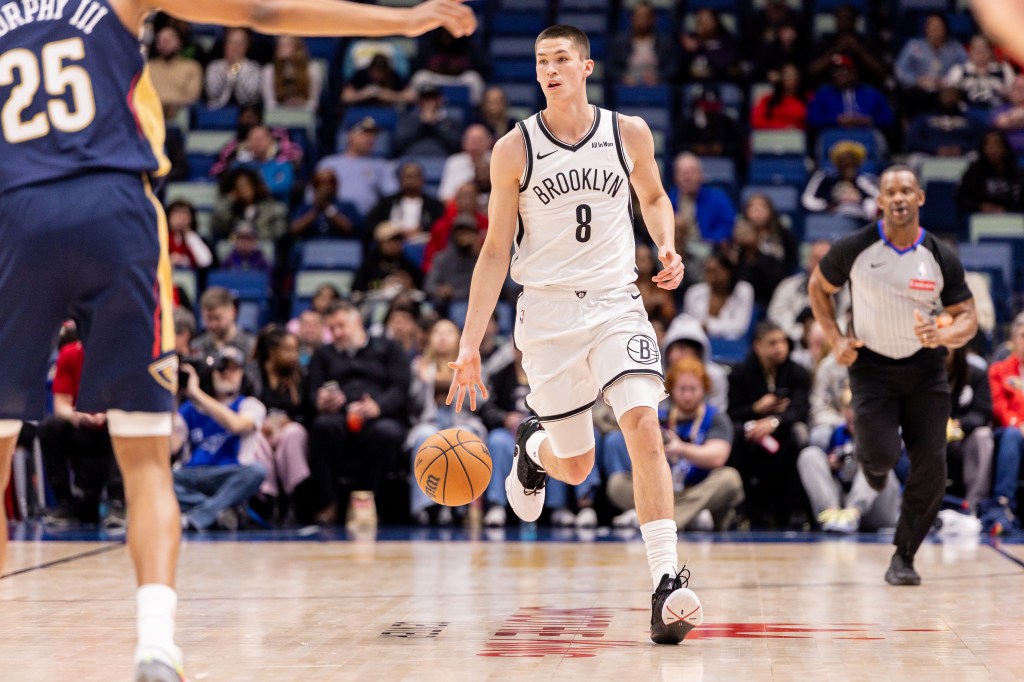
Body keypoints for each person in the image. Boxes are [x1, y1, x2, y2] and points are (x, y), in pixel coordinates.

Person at [0, 0, 475, 673]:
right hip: (114, 209)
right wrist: (400, 22)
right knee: (144, 460)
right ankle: (156, 645)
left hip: (14, 216)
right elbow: (267, 10)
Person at [445, 25, 701, 646]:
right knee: (578, 464)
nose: (551, 69)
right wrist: (469, 344)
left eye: (562, 59)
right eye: (541, 61)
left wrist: (665, 244)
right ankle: (533, 450)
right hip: (549, 316)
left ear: (586, 67)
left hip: (617, 303)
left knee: (643, 423)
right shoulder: (514, 148)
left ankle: (666, 582)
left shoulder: (627, 132)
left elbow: (656, 196)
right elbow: (493, 251)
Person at [808, 165, 978, 586]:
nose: (899, 198)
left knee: (932, 468)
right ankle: (874, 468)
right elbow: (818, 287)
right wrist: (835, 339)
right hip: (872, 369)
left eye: (907, 190)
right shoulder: (855, 247)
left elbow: (968, 319)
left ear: (920, 198)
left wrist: (943, 334)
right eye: (891, 192)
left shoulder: (939, 255)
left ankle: (904, 555)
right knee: (881, 456)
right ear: (880, 201)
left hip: (925, 369)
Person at [604, 357, 743, 532]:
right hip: (662, 490)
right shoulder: (658, 417)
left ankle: (661, 520)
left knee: (730, 478)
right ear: (671, 390)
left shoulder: (716, 417)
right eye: (682, 389)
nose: (687, 396)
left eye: (693, 389)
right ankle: (691, 516)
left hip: (698, 489)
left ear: (704, 389)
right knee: (617, 483)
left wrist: (681, 449)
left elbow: (717, 457)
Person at [305, 301, 412, 528]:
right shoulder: (323, 355)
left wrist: (378, 407)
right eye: (331, 328)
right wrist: (320, 400)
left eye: (341, 326)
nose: (337, 333)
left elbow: (401, 388)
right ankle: (330, 503)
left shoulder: (389, 348)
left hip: (379, 415)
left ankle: (368, 500)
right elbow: (311, 392)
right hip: (338, 415)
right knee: (323, 427)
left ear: (357, 322)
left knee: (387, 433)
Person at [727, 320, 811, 528]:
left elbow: (801, 410)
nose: (780, 347)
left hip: (782, 430)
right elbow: (732, 412)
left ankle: (795, 510)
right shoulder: (740, 373)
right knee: (735, 435)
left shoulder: (797, 372)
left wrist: (775, 421)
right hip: (750, 431)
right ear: (758, 346)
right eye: (772, 343)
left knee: (797, 434)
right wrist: (756, 409)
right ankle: (741, 508)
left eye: (782, 341)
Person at [172, 348, 267, 531]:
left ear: (243, 374)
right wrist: (171, 396)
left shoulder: (250, 405)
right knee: (163, 478)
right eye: (222, 368)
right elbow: (171, 447)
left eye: (234, 369)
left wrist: (197, 392)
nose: (227, 374)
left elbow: (236, 425)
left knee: (257, 471)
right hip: (194, 473)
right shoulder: (189, 409)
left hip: (231, 473)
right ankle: (222, 512)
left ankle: (197, 517)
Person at [945, 347, 993, 512]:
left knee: (983, 435)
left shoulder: (976, 373)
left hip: (964, 438)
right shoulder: (924, 374)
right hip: (932, 437)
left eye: (947, 346)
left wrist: (959, 424)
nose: (943, 351)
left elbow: (982, 413)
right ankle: (914, 506)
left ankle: (974, 505)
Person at [988, 313, 1024, 512]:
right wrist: (1018, 424)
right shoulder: (999, 370)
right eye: (1023, 336)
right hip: (1008, 432)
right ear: (1013, 340)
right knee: (1012, 436)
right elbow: (999, 406)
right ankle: (1003, 503)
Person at [681, 253, 755, 341]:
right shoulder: (694, 292)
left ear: (728, 272)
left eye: (715, 271)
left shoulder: (743, 290)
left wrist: (707, 326)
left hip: (732, 344)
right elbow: (688, 324)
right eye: (708, 271)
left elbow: (739, 327)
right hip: (699, 341)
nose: (711, 277)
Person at [668, 152, 736, 245]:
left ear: (701, 175)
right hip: (676, 247)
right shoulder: (666, 201)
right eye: (683, 173)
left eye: (692, 172)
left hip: (709, 248)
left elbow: (728, 226)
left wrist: (711, 240)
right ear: (675, 177)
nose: (687, 177)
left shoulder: (718, 199)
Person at [801, 140, 879, 222]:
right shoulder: (825, 177)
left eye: (852, 162)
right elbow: (807, 200)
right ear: (837, 164)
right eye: (844, 162)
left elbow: (880, 199)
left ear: (858, 163)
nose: (848, 165)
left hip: (860, 220)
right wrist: (826, 206)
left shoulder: (866, 180)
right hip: (831, 220)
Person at [956, 130, 1024, 215]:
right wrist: (979, 206)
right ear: (983, 148)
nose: (993, 150)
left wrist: (1006, 209)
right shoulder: (974, 171)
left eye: (996, 145)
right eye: (988, 145)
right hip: (979, 219)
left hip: (1011, 218)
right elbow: (961, 197)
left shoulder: (1016, 172)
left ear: (1004, 148)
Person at [944, 35, 1014, 112]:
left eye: (984, 48)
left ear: (991, 51)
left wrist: (1005, 93)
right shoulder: (959, 70)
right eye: (976, 48)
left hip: (997, 112)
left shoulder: (1003, 69)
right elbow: (948, 94)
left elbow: (1014, 94)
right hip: (966, 112)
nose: (980, 52)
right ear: (970, 51)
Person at [146, 25, 202, 118]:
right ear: (157, 45)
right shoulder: (149, 67)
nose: (165, 44)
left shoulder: (192, 67)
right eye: (161, 40)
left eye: (169, 40)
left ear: (179, 42)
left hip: (181, 113)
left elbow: (192, 97)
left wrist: (169, 105)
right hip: (151, 113)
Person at [204, 27, 262, 109]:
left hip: (245, 113)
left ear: (246, 46)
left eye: (239, 43)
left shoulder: (253, 68)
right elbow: (212, 93)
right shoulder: (214, 67)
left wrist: (236, 68)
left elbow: (250, 96)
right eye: (231, 42)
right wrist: (225, 72)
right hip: (216, 113)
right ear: (225, 44)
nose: (235, 47)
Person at [261, 36, 322, 111]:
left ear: (297, 48)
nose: (281, 48)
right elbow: (269, 105)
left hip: (304, 115)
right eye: (280, 45)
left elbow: (313, 104)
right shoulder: (269, 71)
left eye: (286, 45)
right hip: (278, 117)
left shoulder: (312, 69)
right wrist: (286, 106)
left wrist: (300, 104)